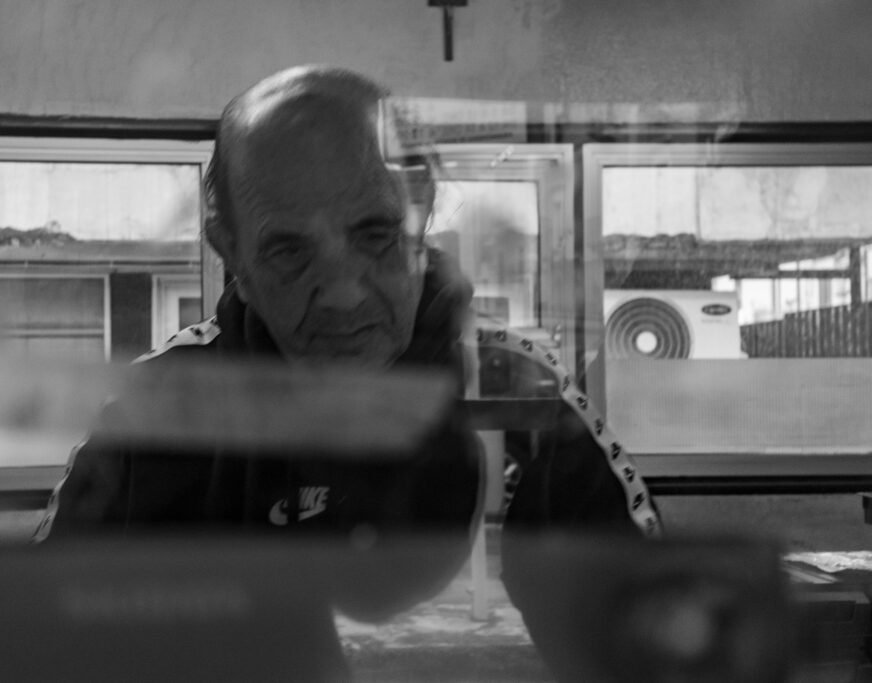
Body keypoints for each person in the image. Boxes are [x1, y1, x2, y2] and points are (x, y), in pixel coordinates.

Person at [32, 64, 659, 680]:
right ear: (232, 254)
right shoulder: (156, 414)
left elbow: (657, 645)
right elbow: (41, 648)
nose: (342, 294)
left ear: (422, 212)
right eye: (288, 251)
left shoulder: (519, 400)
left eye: (374, 234)